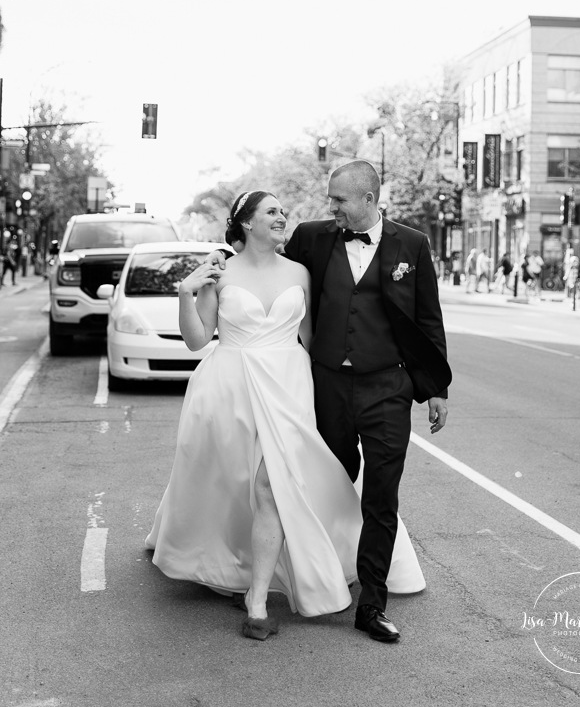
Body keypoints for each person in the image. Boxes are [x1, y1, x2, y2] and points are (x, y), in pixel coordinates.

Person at [145, 189, 425, 642]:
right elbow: (197, 341)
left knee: (270, 486)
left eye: (282, 211)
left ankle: (257, 600)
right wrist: (185, 290)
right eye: (272, 211)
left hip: (289, 387)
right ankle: (228, 563)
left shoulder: (300, 271)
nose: (282, 217)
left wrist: (341, 394)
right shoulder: (220, 272)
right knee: (230, 485)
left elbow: (313, 340)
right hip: (230, 388)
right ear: (247, 222)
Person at [284, 160, 451, 643]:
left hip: (388, 389)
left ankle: (371, 604)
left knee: (382, 496)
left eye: (338, 199)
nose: (330, 206)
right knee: (325, 486)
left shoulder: (412, 246)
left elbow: (428, 320)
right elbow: (270, 270)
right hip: (327, 386)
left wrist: (436, 389)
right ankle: (316, 578)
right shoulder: (311, 238)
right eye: (330, 199)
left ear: (368, 200)